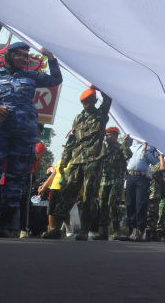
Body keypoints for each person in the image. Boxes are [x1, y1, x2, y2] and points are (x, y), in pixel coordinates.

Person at [0, 41, 61, 237]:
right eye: (18, 54)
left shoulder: (31, 76)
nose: (22, 59)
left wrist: (51, 58)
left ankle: (2, 226)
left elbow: (55, 80)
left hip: (25, 136)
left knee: (16, 180)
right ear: (9, 55)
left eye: (25, 56)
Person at [42, 87, 112, 240]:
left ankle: (84, 230)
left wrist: (100, 87)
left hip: (94, 159)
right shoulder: (77, 118)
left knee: (88, 194)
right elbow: (71, 140)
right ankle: (55, 228)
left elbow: (108, 99)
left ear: (95, 100)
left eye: (90, 101)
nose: (87, 104)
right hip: (77, 159)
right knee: (66, 192)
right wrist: (65, 159)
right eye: (84, 102)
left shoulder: (101, 114)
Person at [120, 139, 159, 241]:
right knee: (129, 204)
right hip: (130, 177)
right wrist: (125, 143)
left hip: (142, 178)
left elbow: (155, 161)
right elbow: (124, 157)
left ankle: (140, 232)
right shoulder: (132, 147)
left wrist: (146, 151)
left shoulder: (151, 147)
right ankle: (130, 232)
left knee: (141, 205)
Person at [96, 128, 131, 240]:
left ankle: (117, 230)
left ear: (115, 136)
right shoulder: (103, 148)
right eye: (106, 135)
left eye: (109, 135)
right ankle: (103, 232)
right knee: (102, 204)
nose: (107, 137)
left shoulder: (121, 147)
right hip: (104, 180)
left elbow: (128, 155)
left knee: (112, 203)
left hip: (117, 180)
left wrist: (125, 144)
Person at [145, 155, 165, 241]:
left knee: (153, 214)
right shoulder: (147, 164)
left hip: (155, 193)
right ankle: (150, 232)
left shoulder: (158, 164)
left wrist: (161, 158)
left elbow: (163, 168)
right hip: (146, 191)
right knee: (150, 213)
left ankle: (151, 233)